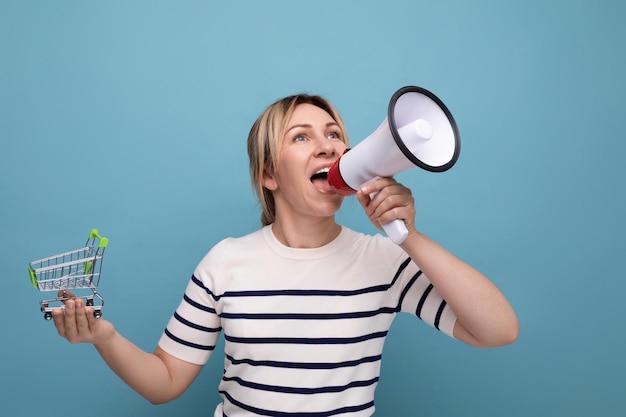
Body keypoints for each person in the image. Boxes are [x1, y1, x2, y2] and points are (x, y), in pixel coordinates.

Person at [53, 93, 519, 416]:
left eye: (334, 134)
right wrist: (105, 338)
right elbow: (165, 383)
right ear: (269, 176)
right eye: (301, 137)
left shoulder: (385, 262)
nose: (328, 146)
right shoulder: (225, 263)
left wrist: (409, 237)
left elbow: (497, 331)